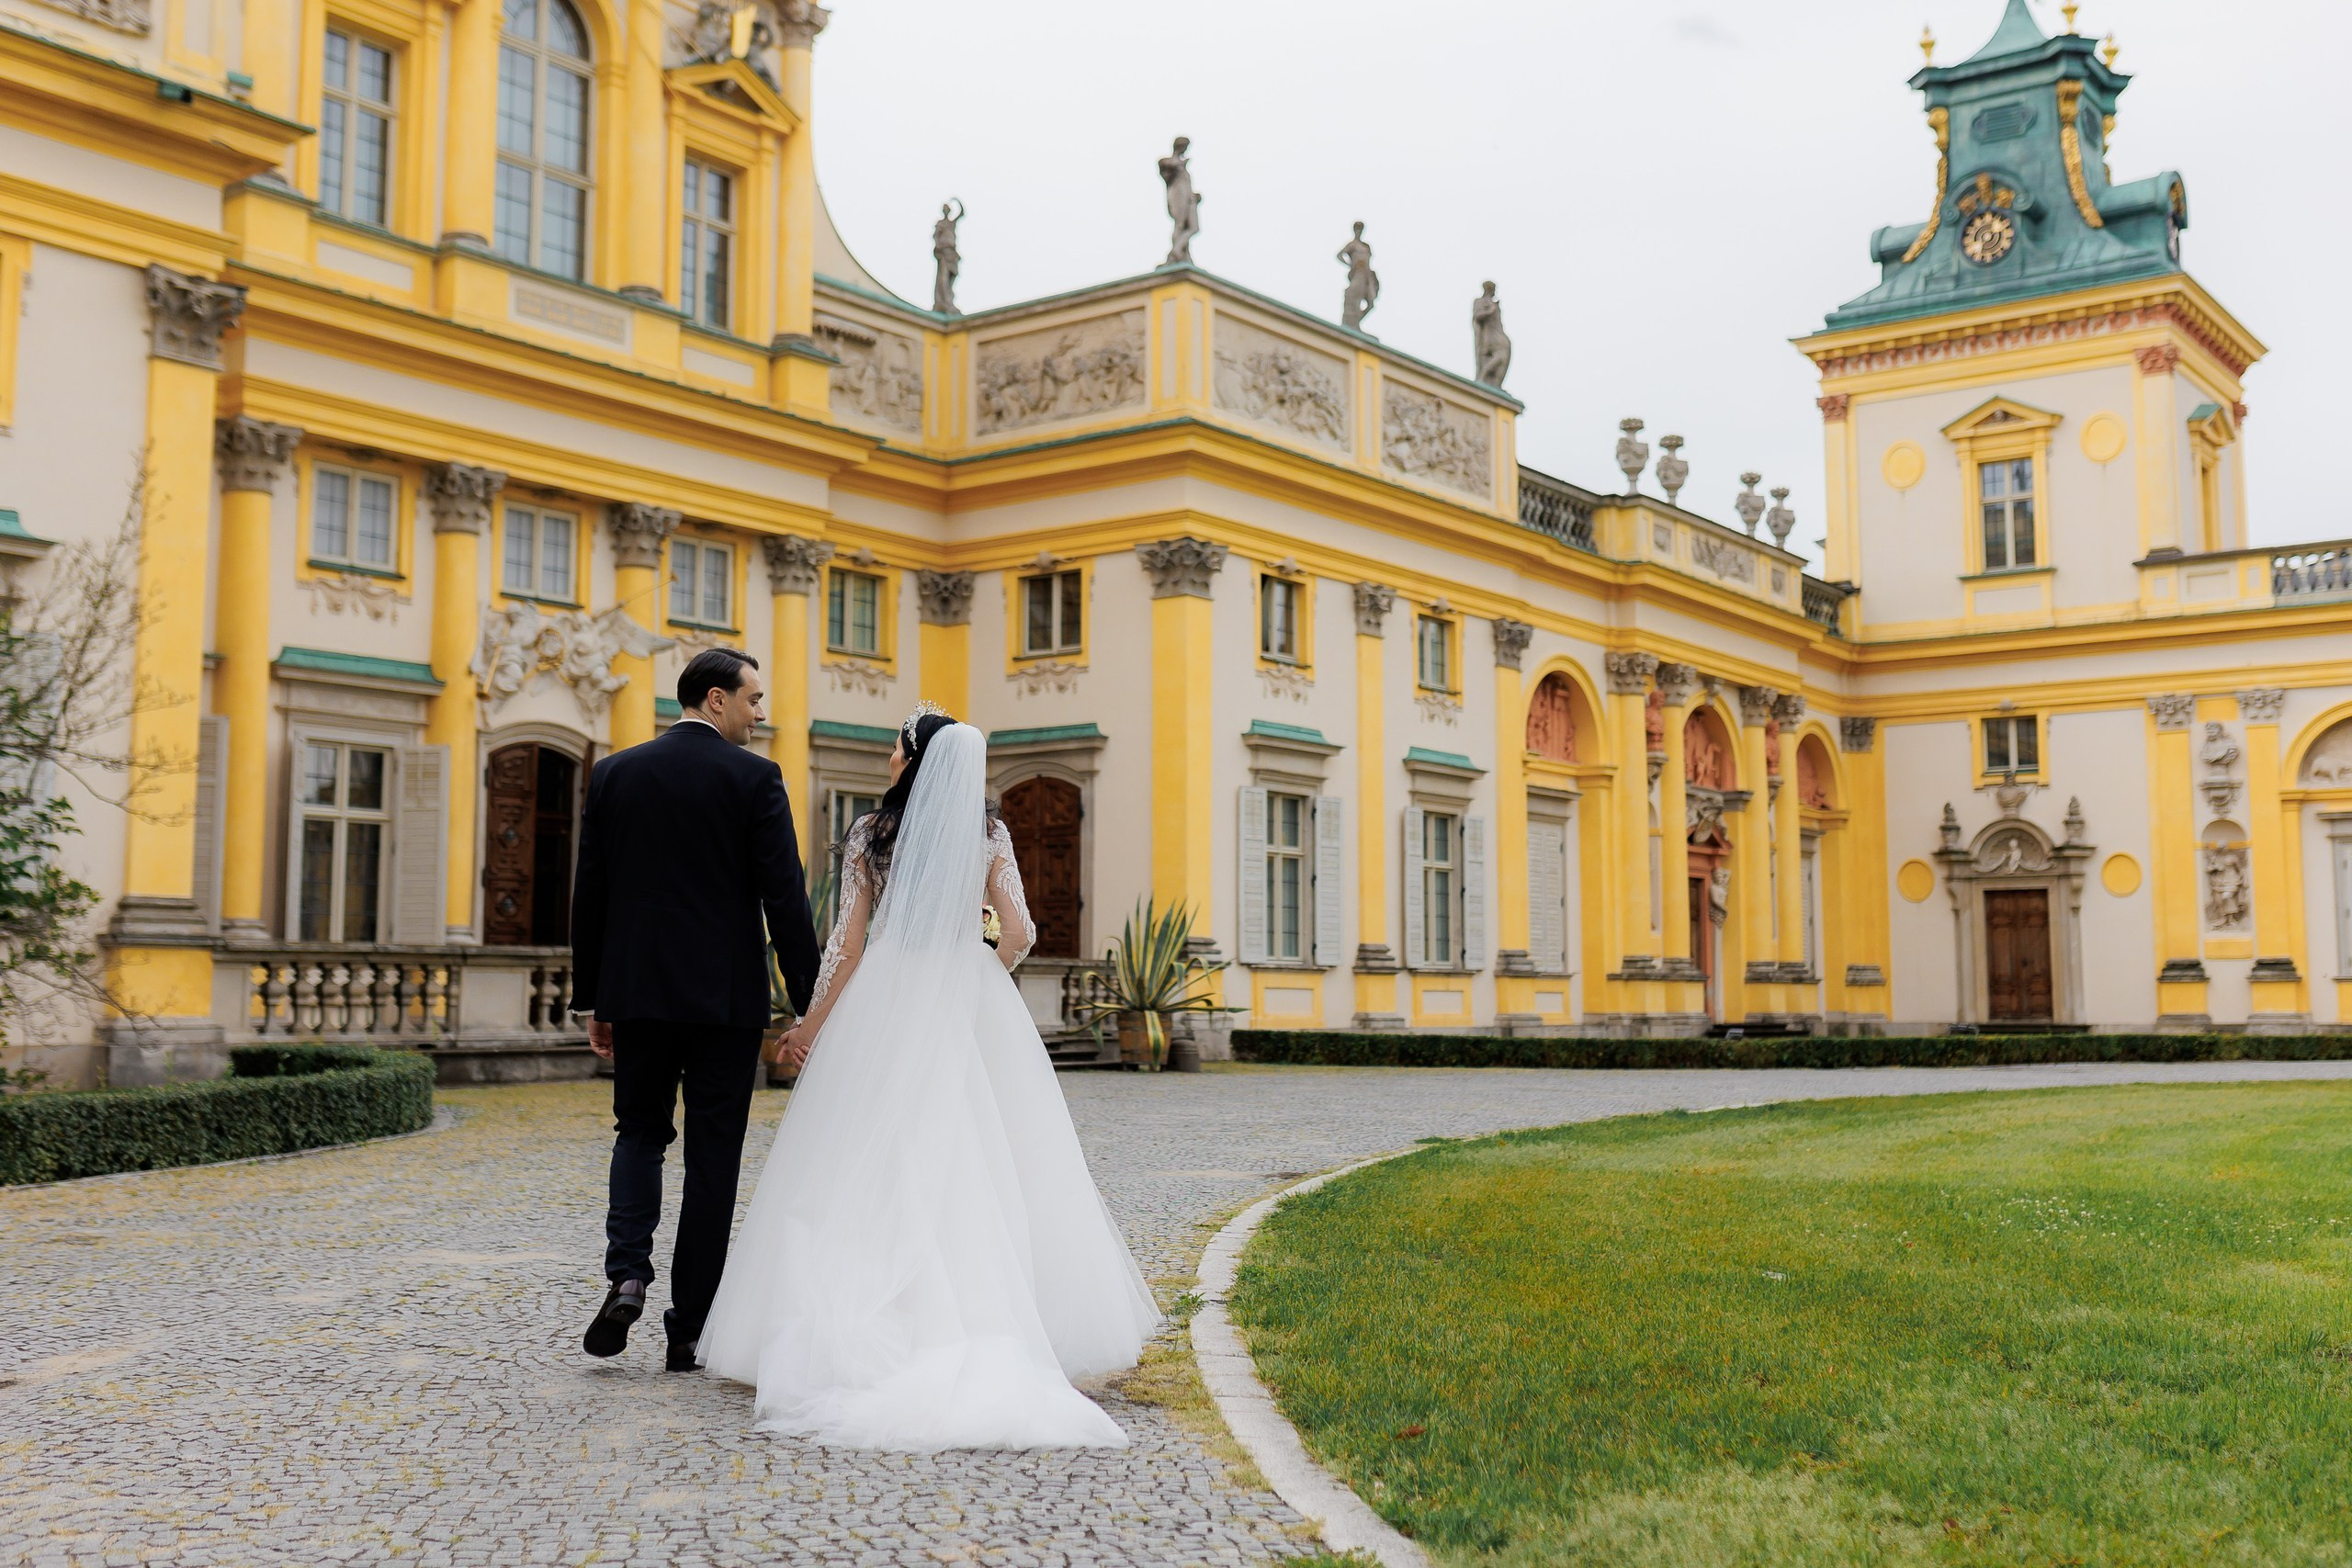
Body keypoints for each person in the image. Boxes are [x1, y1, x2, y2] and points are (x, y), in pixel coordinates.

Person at [698, 708, 1159, 1450]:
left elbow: (847, 944)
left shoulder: (871, 835)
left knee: (871, 1151)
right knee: (987, 1153)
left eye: (895, 747)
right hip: (966, 996)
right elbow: (1021, 931)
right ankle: (1000, 1317)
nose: (888, 756)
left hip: (887, 997)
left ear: (916, 760)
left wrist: (808, 1027)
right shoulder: (990, 835)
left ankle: (871, 1316)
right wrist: (978, 971)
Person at [571, 648, 823, 1373]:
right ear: (716, 698)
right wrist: (811, 1005)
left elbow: (592, 893)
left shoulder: (615, 772)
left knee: (639, 1132)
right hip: (725, 1001)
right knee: (713, 1159)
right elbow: (785, 899)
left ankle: (627, 1274)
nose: (760, 712)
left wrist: (595, 996)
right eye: (753, 698)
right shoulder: (754, 778)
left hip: (637, 993)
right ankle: (689, 1329)